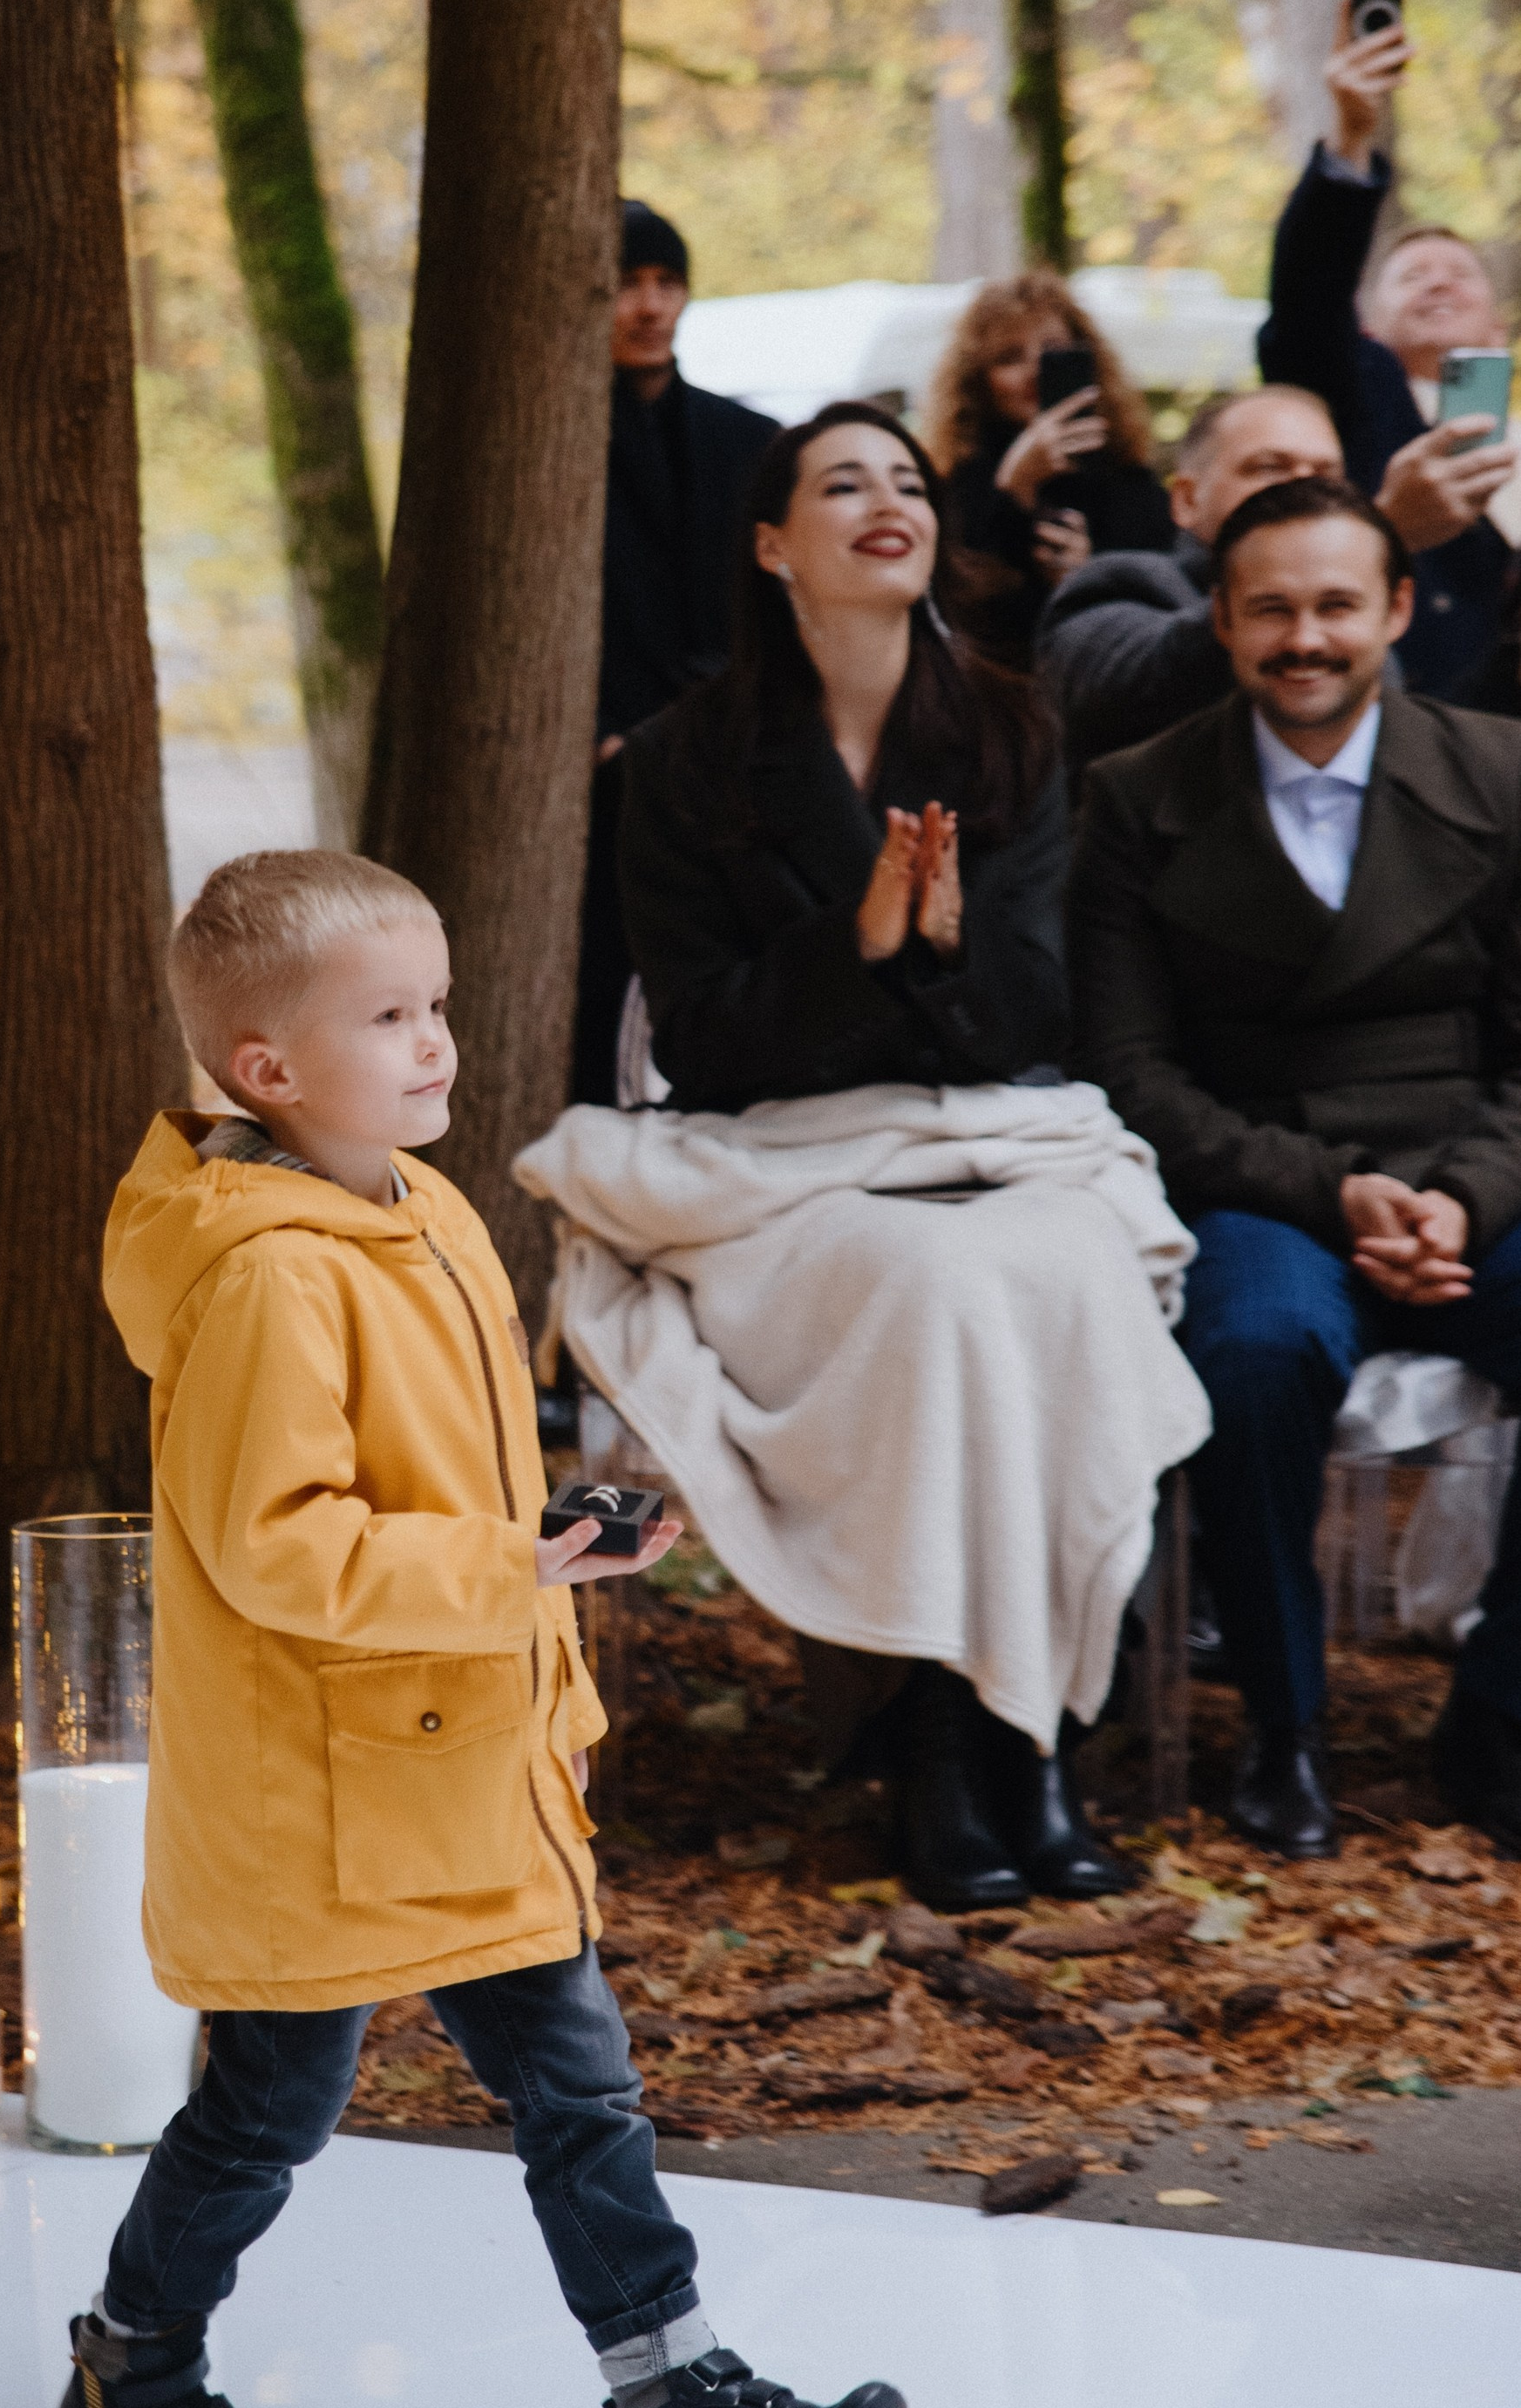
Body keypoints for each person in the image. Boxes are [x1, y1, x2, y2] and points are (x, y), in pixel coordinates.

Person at [46, 848, 906, 2408]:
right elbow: (275, 1549)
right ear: (261, 1069)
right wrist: (509, 1567)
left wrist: (549, 1534)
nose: (436, 1044)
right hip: (332, 1802)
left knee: (576, 2090)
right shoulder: (268, 1273)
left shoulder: (413, 1203)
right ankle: (132, 2382)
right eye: (388, 1018)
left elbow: (451, 1461)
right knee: (265, 2111)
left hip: (461, 1764)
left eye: (434, 1006)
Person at [585, 401, 1210, 1912]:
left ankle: (1037, 1741)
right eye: (841, 483)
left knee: (1055, 1271)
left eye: (909, 484)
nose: (888, 502)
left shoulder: (1011, 727)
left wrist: (937, 953)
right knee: (930, 1288)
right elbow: (706, 1040)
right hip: (778, 1154)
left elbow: (1038, 1011)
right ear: (768, 543)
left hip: (989, 1130)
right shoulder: (679, 760)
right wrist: (851, 946)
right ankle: (942, 1744)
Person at [1070, 477, 1521, 1863]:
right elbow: (1133, 1076)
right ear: (1217, 619)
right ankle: (1285, 1728)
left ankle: (1500, 1712)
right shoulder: (1135, 799)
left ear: (1394, 609)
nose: (1302, 638)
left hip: (1469, 1168)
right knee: (1254, 1353)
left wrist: (1458, 1197)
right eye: (1268, 608)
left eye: (1334, 604)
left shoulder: (1502, 772)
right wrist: (1330, 1195)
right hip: (1265, 1180)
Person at [569, 201, 779, 1106]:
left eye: (664, 283)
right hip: (596, 782)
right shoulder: (551, 450)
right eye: (625, 285)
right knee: (596, 1004)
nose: (647, 306)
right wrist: (604, 737)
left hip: (731, 769)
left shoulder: (750, 444)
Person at [1257, 0, 1520, 697]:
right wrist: (1350, 135)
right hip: (1425, 716)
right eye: (1411, 276)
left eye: (1457, 273)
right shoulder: (1357, 396)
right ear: (1368, 322)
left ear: (1499, 329)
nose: (1436, 283)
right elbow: (1305, 308)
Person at [1037, 384, 1345, 782]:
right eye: (1269, 467)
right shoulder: (1115, 584)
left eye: (1326, 475)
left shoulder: (1360, 615)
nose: (1305, 491)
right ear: (1186, 499)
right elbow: (1139, 689)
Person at [924, 270, 1173, 670]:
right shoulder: (955, 487)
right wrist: (1012, 493)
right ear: (979, 380)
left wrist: (1086, 575)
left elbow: (1160, 603)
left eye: (1052, 350)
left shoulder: (1127, 479)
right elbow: (959, 612)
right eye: (1009, 357)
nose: (1034, 370)